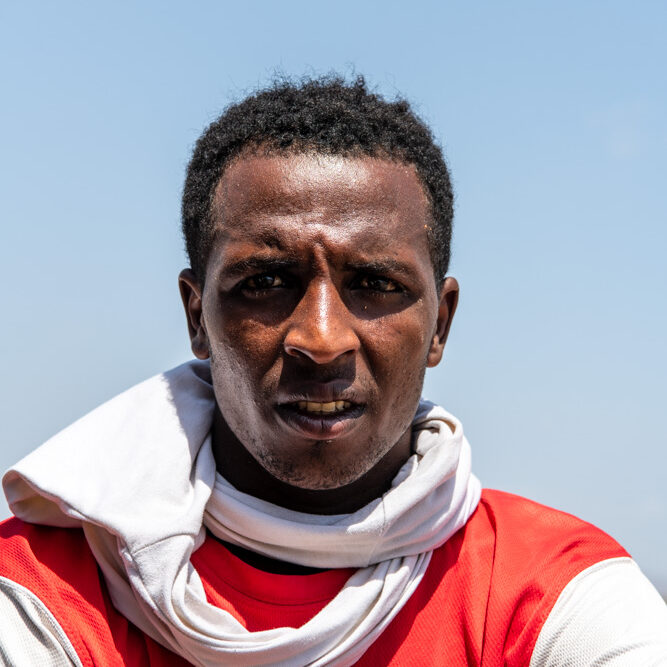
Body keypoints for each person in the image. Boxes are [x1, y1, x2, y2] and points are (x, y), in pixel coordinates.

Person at [1, 76, 665, 666]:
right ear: (196, 316)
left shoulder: (553, 596)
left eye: (374, 282)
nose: (320, 340)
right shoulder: (41, 592)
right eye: (264, 280)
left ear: (440, 325)